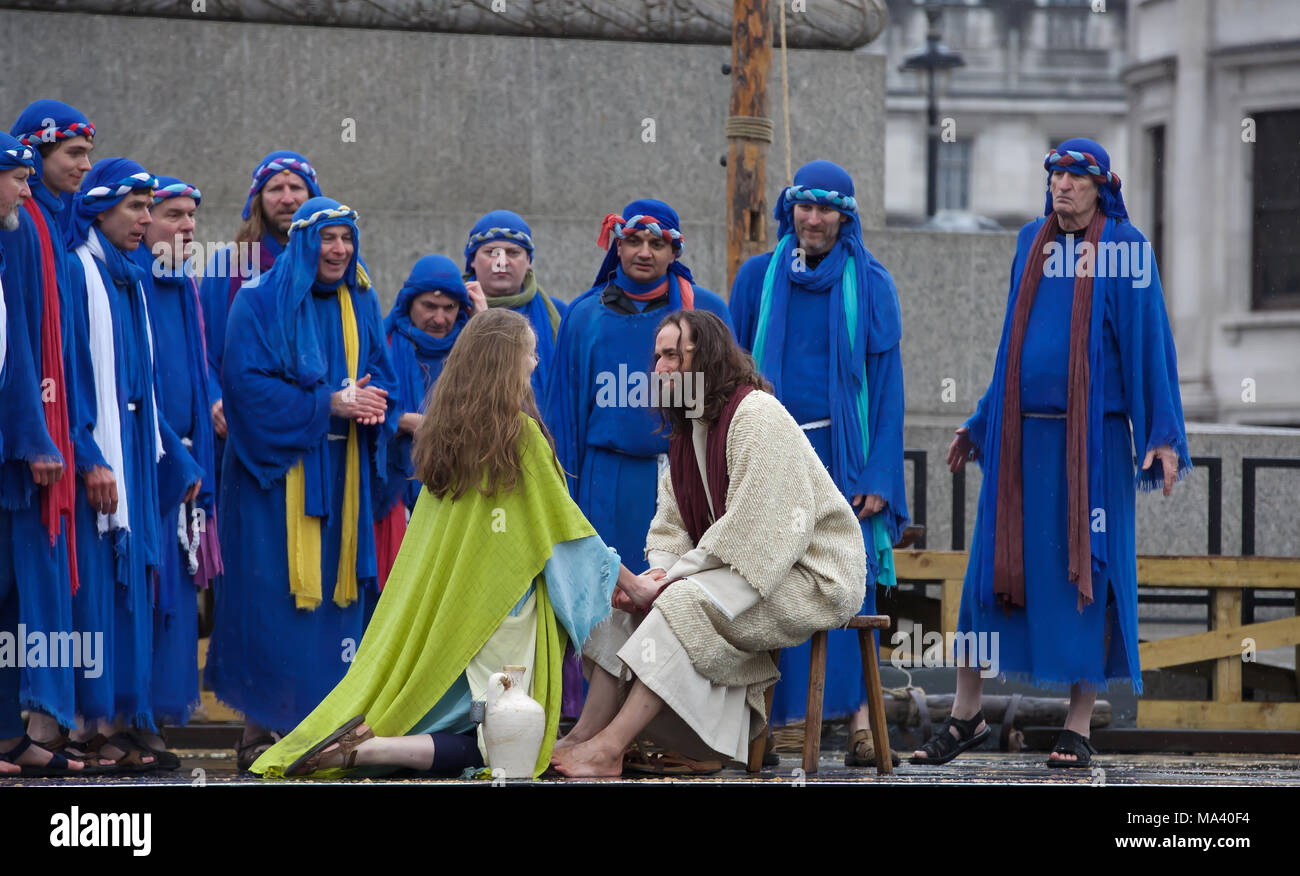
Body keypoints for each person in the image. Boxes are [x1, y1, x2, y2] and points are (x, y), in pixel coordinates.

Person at [249, 309, 630, 780]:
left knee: (470, 724)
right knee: (509, 749)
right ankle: (369, 751)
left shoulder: (446, 437)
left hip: (454, 611)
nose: (534, 364)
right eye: (528, 354)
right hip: (506, 614)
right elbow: (568, 532)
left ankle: (367, 746)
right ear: (506, 361)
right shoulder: (519, 436)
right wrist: (632, 583)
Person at [912, 138, 1191, 768]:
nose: (1061, 186)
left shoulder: (1126, 251)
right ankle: (965, 717)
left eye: (1074, 177)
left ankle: (1079, 723)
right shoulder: (1029, 244)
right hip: (1018, 444)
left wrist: (1164, 437)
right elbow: (1013, 345)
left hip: (1089, 447)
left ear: (1101, 186)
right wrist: (981, 422)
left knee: (1086, 575)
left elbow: (1154, 347)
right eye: (1055, 175)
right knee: (988, 576)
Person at [550, 310, 867, 777]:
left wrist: (671, 582)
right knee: (621, 605)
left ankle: (610, 748)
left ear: (707, 360)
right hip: (741, 567)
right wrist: (656, 573)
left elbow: (760, 528)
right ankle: (584, 737)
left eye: (672, 356)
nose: (658, 369)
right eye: (656, 356)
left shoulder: (757, 414)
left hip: (810, 574)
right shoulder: (687, 432)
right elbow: (670, 526)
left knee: (679, 603)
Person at [205, 197, 398, 771]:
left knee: (334, 608)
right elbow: (244, 387)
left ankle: (320, 730)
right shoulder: (258, 298)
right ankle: (258, 729)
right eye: (328, 239)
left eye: (347, 239)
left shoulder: (359, 297)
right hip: (274, 481)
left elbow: (384, 372)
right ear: (303, 242)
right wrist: (330, 402)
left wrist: (373, 403)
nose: (339, 250)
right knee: (271, 599)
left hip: (344, 480)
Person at [729, 159, 908, 766]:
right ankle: (778, 718)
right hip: (773, 450)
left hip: (842, 455)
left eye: (826, 208)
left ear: (845, 217)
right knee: (772, 577)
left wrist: (880, 474)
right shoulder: (757, 278)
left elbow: (887, 388)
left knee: (845, 581)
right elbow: (734, 376)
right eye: (804, 206)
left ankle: (858, 720)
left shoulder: (872, 283)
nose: (813, 218)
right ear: (790, 210)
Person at [67, 158, 205, 768]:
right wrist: (92, 452)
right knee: (97, 594)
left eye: (161, 209)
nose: (150, 220)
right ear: (99, 208)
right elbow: (69, 376)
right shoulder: (81, 274)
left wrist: (176, 456)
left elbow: (145, 386)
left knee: (136, 595)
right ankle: (84, 728)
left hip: (142, 465)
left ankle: (122, 722)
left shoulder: (130, 280)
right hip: (100, 463)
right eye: (140, 208)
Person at [546, 199, 733, 574]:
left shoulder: (705, 314)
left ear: (675, 250)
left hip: (683, 474)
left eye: (657, 244)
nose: (644, 252)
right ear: (618, 246)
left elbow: (730, 404)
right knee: (605, 598)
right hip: (606, 477)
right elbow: (562, 420)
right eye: (633, 241)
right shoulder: (584, 316)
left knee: (679, 592)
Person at [2, 102, 107, 766]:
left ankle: (19, 730)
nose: (84, 166)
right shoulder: (22, 226)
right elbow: (19, 352)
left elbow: (62, 354)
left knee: (20, 593)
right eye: (72, 154)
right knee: (14, 587)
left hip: (42, 434)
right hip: (25, 442)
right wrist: (37, 434)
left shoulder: (44, 224)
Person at [131, 176, 223, 761]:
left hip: (188, 459)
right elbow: (136, 383)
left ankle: (159, 719)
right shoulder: (135, 280)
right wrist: (177, 447)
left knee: (179, 596)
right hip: (154, 461)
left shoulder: (185, 283)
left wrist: (212, 396)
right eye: (172, 215)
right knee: (150, 593)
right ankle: (131, 718)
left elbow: (199, 361)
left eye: (191, 215)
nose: (186, 226)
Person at [199, 150, 321, 466]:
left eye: (296, 188)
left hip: (314, 424)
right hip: (243, 424)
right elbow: (206, 349)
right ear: (258, 199)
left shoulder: (330, 265)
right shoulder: (228, 265)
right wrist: (215, 399)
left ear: (311, 197)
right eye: (275, 189)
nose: (287, 198)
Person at [370, 254, 482, 590]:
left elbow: (501, 404)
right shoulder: (384, 345)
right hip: (394, 493)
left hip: (458, 491)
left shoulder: (473, 350)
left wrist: (484, 319)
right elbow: (363, 402)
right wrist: (402, 421)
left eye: (449, 307)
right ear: (409, 303)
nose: (439, 317)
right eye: (429, 306)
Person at [462, 210, 565, 404]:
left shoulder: (558, 314)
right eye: (491, 252)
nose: (502, 261)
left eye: (513, 252)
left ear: (528, 261)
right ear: (473, 260)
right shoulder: (450, 310)